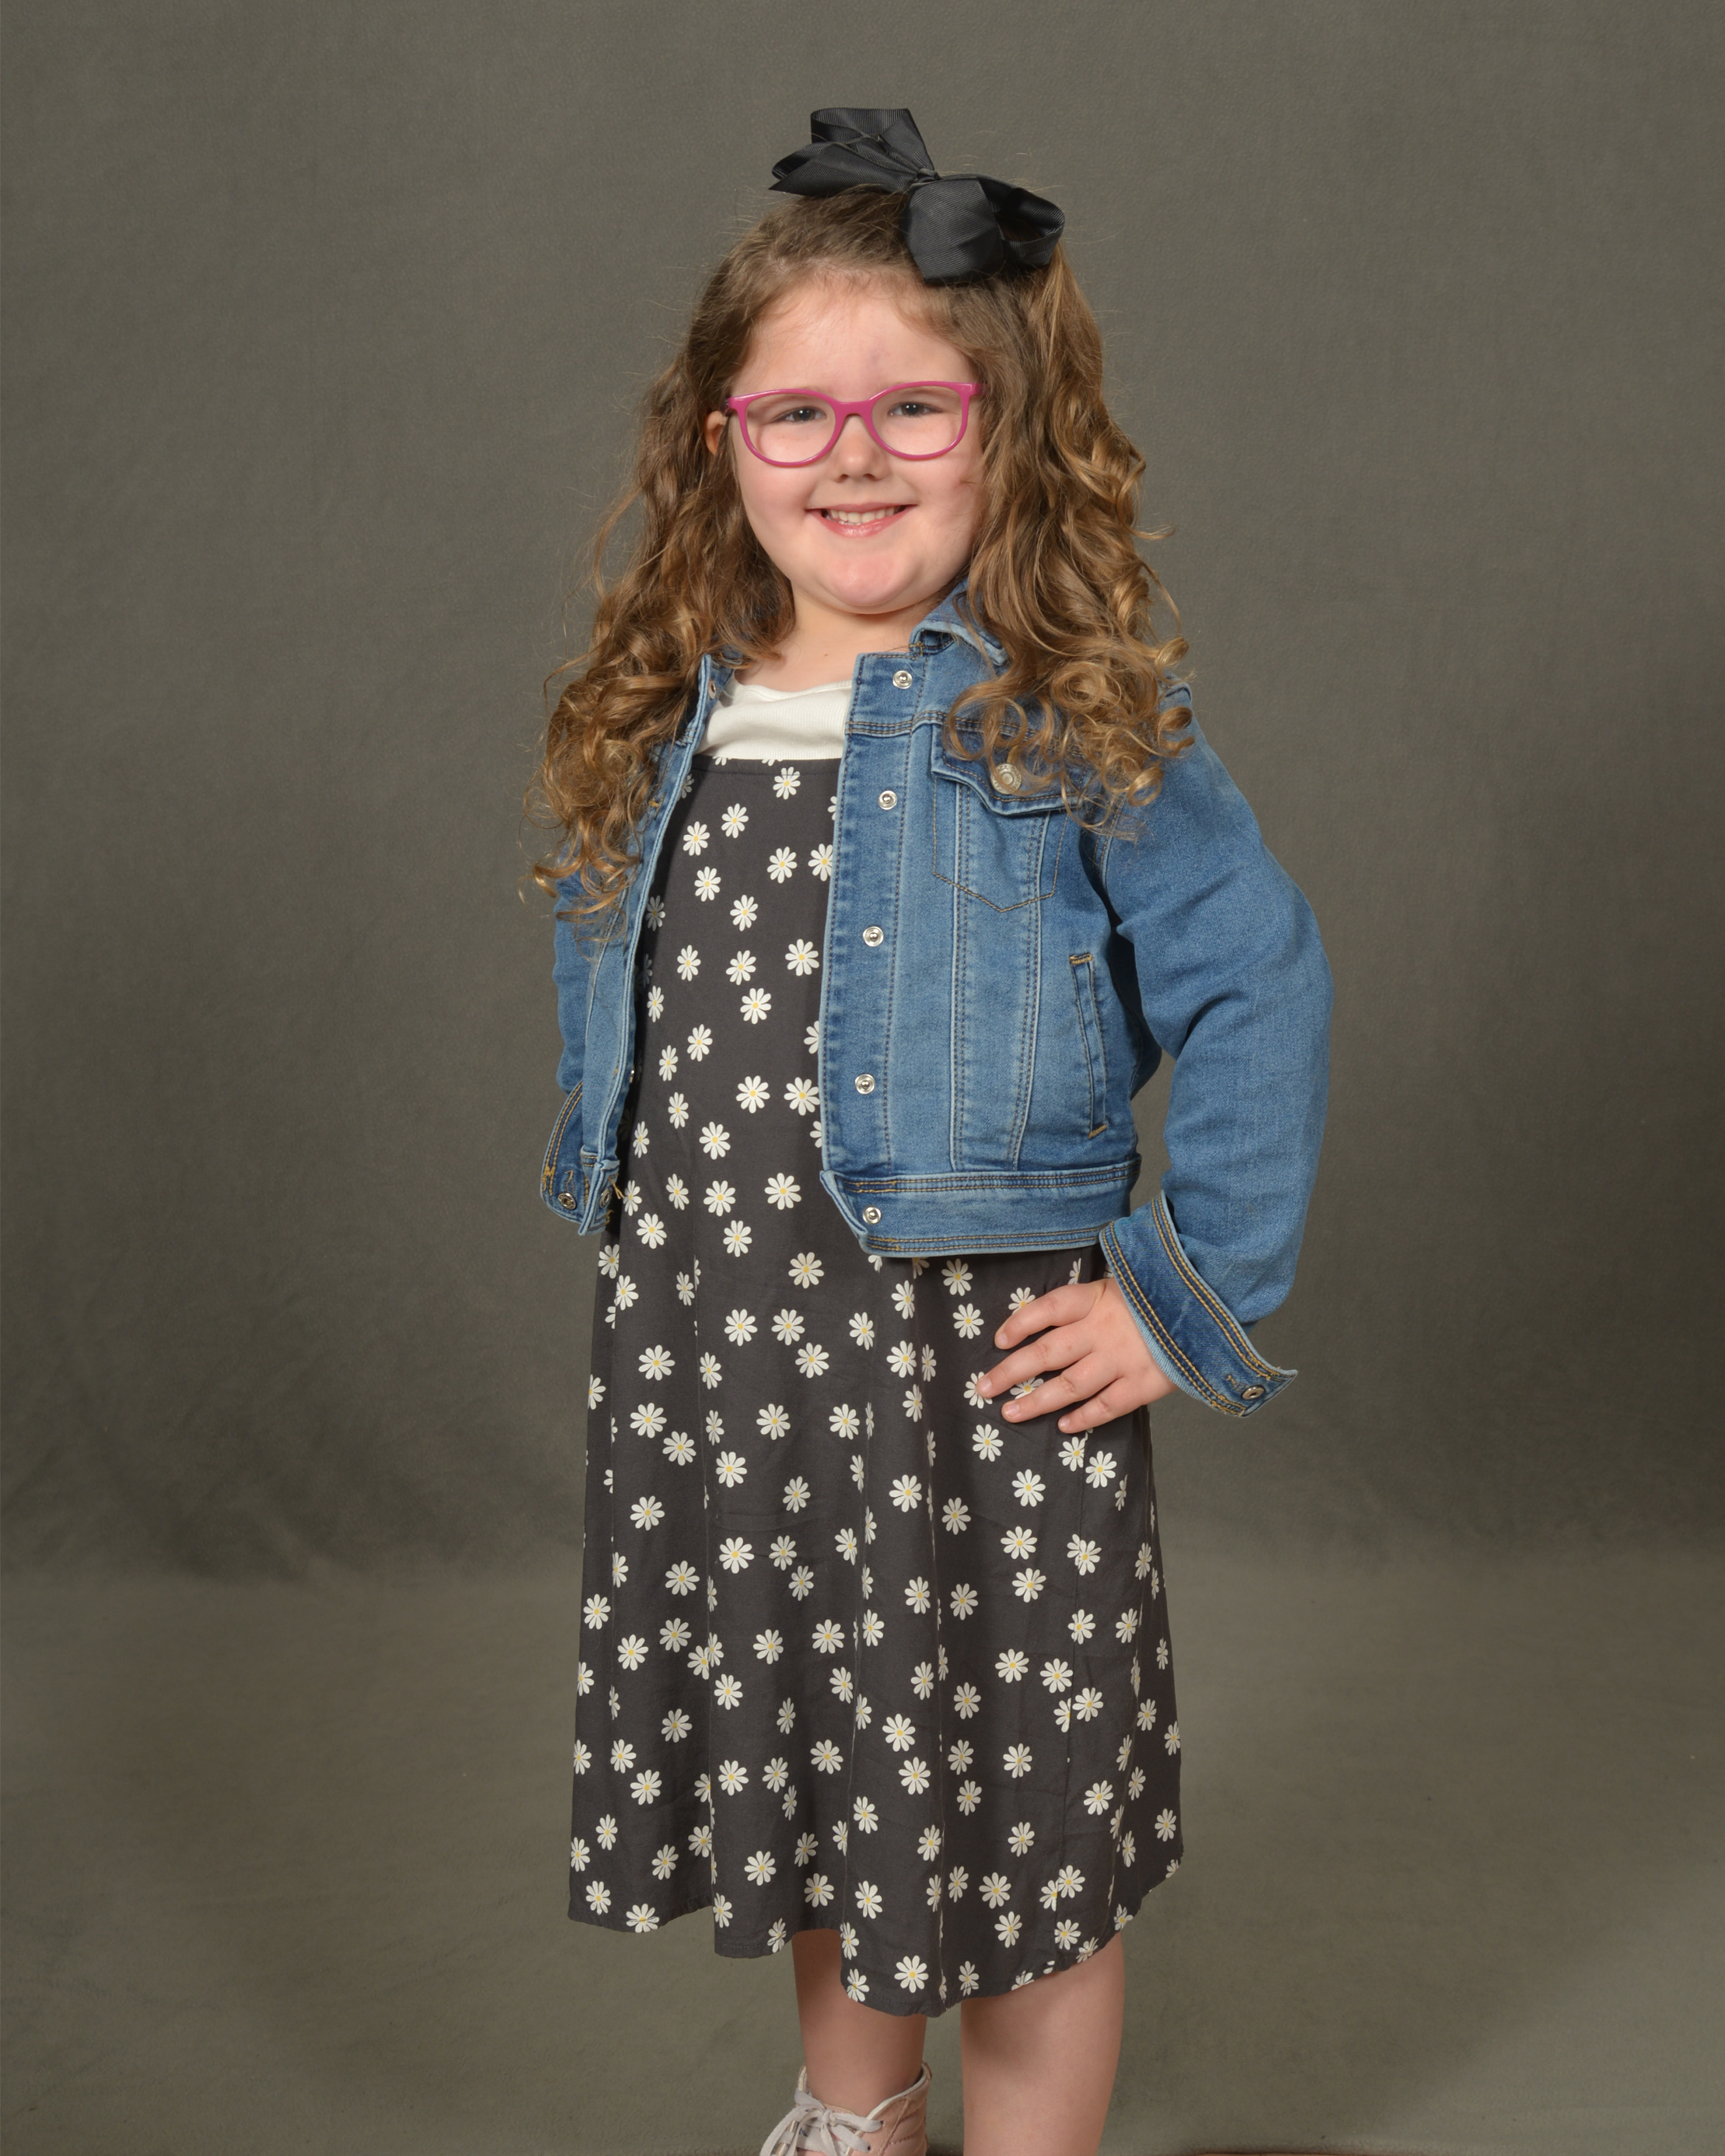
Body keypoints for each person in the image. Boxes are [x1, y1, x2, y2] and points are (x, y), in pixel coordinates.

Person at [528, 109, 1331, 2156]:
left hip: (980, 1394)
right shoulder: (679, 710)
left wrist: (1183, 1293)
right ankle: (855, 2123)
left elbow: (1259, 974)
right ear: (719, 441)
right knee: (836, 1801)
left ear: (1005, 430)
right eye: (795, 414)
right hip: (743, 1389)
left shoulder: (1055, 714)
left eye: (914, 407)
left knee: (1025, 1840)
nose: (854, 456)